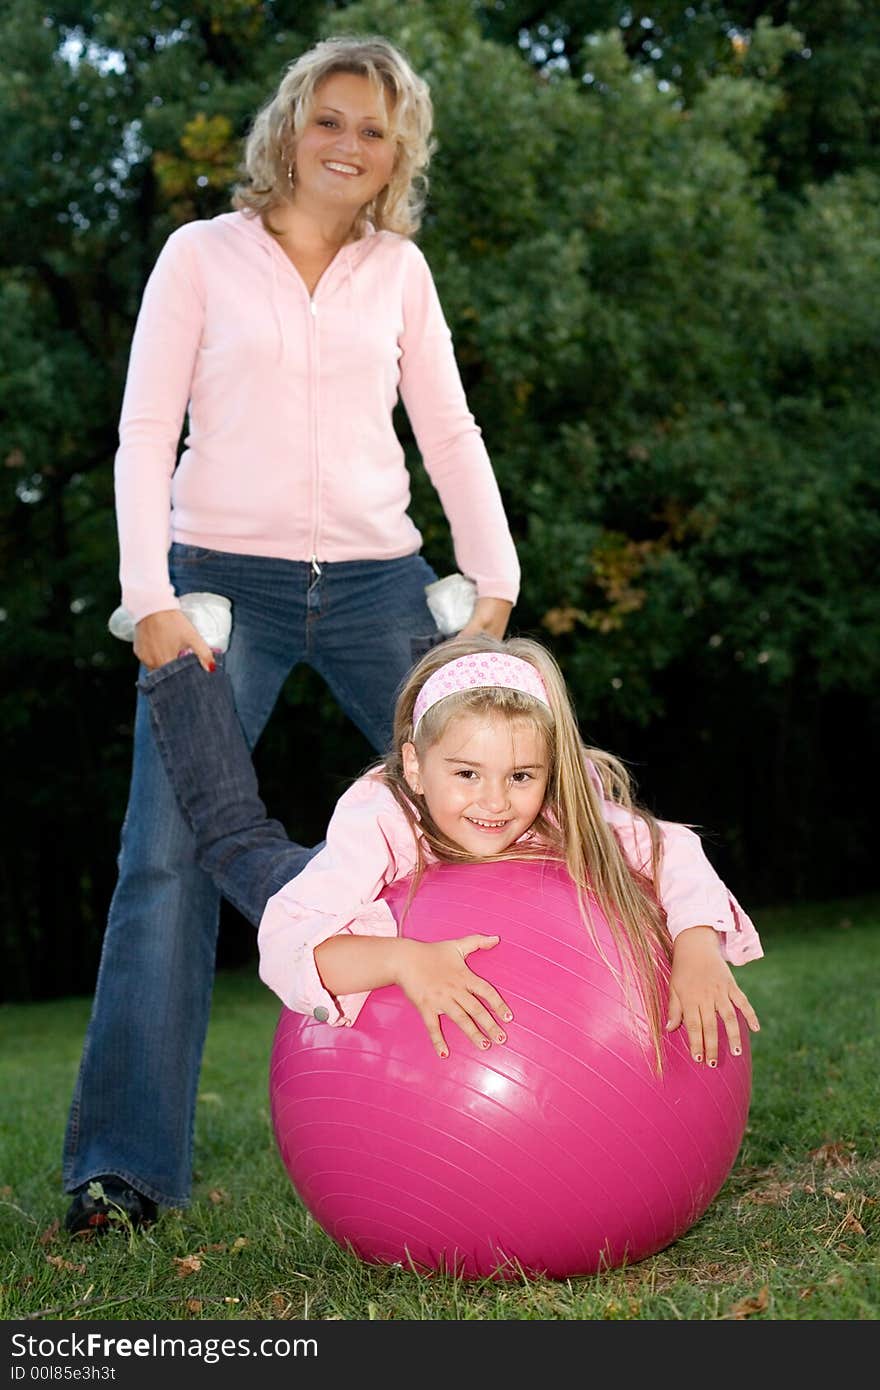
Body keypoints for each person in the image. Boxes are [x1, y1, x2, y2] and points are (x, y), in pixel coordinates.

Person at [63, 35, 520, 1234]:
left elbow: (451, 430)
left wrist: (496, 578)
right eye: (331, 118)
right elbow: (143, 427)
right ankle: (123, 1168)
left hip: (382, 585)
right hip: (222, 586)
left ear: (397, 151)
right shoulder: (199, 256)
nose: (349, 145)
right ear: (290, 125)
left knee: (496, 818)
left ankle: (533, 1084)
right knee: (165, 858)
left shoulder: (399, 273)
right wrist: (148, 591)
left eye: (375, 129)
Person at [139, 631, 762, 1085]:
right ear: (414, 765)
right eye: (466, 772)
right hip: (342, 881)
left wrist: (698, 948)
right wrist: (402, 959)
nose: (494, 801)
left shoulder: (560, 810)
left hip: (411, 879)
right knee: (232, 839)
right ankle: (182, 668)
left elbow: (671, 849)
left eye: (521, 775)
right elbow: (285, 939)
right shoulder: (378, 816)